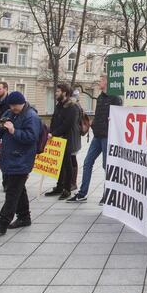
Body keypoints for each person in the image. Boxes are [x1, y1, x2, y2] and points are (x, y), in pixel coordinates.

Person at [0, 91, 41, 234]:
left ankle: (2, 222)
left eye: (15, 105)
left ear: (22, 103)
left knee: (12, 192)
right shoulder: (9, 113)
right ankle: (24, 217)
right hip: (9, 158)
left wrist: (13, 130)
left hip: (22, 159)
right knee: (18, 189)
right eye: (10, 105)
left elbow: (31, 137)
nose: (12, 108)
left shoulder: (31, 116)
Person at [67, 75, 122, 203]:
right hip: (97, 136)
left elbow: (118, 118)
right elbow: (99, 115)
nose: (99, 82)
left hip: (108, 137)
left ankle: (108, 194)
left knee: (106, 166)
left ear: (108, 82)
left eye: (102, 80)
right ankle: (82, 193)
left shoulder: (116, 99)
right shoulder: (100, 97)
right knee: (87, 162)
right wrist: (94, 124)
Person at [45, 83, 81, 200]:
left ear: (64, 93)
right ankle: (59, 186)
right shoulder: (59, 105)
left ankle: (67, 188)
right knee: (59, 164)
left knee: (67, 164)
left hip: (68, 138)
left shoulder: (72, 107)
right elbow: (55, 119)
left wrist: (54, 133)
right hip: (57, 137)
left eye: (58, 91)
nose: (56, 93)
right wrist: (51, 132)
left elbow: (67, 124)